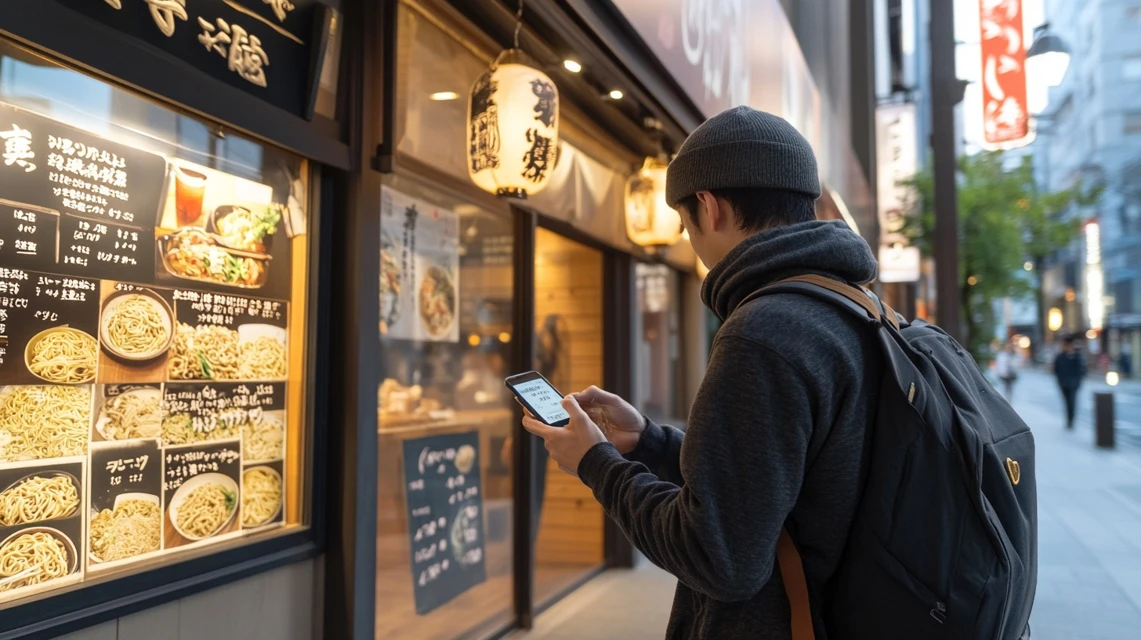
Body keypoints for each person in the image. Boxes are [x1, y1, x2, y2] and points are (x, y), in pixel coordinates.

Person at [522, 107, 883, 639]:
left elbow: (718, 557)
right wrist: (649, 442)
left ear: (709, 208)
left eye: (684, 221)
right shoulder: (858, 311)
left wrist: (595, 463)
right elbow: (774, 477)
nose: (689, 238)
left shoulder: (762, 332)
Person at [1054, 335, 1087, 429]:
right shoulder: (1060, 357)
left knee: (1072, 401)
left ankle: (1071, 420)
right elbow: (1057, 370)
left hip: (1074, 383)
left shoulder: (1077, 357)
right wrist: (1060, 381)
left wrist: (1078, 381)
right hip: (1063, 383)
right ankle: (1068, 419)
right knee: (1066, 402)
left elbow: (1082, 370)